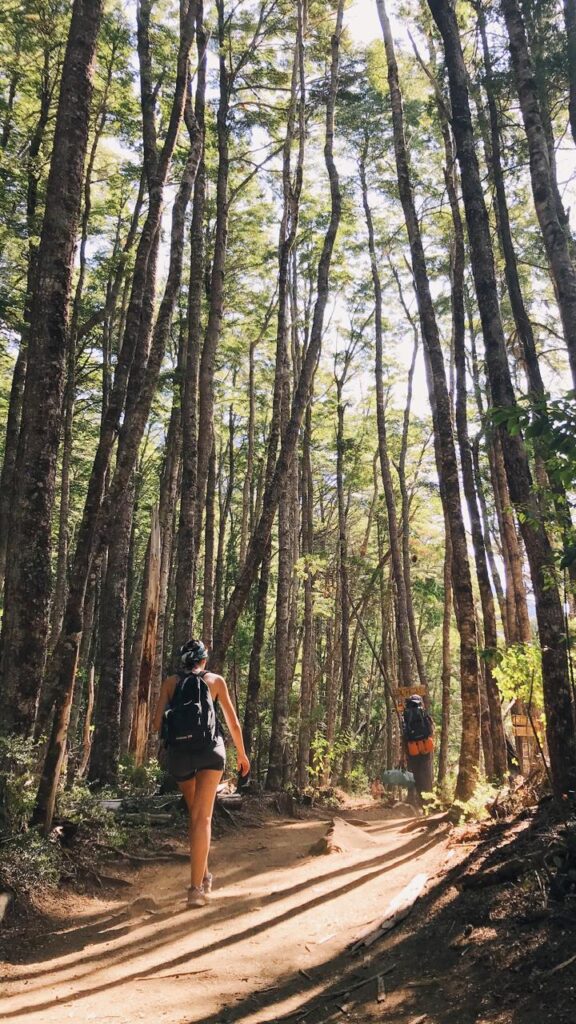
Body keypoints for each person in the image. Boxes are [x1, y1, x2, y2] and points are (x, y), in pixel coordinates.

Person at [152, 638, 250, 908]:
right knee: (202, 818)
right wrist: (241, 754)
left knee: (195, 815)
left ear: (183, 662)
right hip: (211, 752)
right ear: (204, 660)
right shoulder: (216, 681)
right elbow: (232, 721)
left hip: (180, 756)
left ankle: (203, 878)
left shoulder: (171, 683)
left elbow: (155, 723)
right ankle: (197, 888)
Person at [402, 693, 434, 807]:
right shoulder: (424, 713)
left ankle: (420, 801)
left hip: (412, 748)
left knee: (416, 775)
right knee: (426, 773)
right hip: (425, 746)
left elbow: (405, 734)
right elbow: (430, 730)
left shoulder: (406, 714)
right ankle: (428, 801)